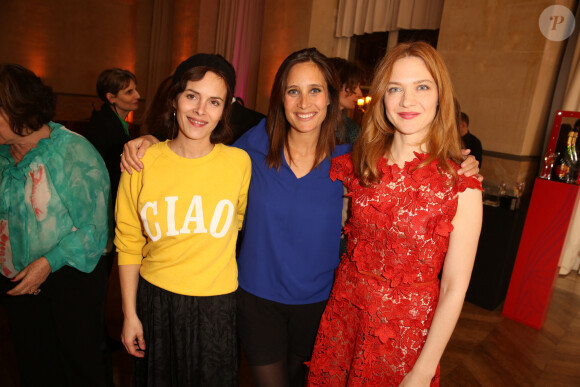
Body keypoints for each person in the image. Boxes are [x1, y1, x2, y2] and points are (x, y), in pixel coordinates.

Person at [120, 48, 480, 387]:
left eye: (315, 91)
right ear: (280, 97)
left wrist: (462, 165)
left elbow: (405, 171)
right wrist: (151, 141)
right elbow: (198, 153)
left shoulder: (353, 161)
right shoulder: (249, 151)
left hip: (322, 305)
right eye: (294, 91)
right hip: (256, 301)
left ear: (330, 98)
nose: (304, 102)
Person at [306, 41, 483, 386]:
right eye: (394, 88)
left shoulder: (461, 185)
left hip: (403, 342)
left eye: (421, 86)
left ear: (439, 96)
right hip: (344, 320)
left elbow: (454, 287)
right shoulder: (360, 165)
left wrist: (423, 370)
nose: (406, 101)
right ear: (382, 98)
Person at [115, 54, 251, 386]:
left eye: (214, 101)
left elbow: (241, 223)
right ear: (175, 98)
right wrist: (130, 315)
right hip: (156, 301)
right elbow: (129, 244)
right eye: (192, 95)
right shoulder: (141, 161)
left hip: (217, 305)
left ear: (224, 110)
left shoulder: (239, 163)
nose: (201, 110)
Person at [0, 64, 112, 386]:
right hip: (18, 280)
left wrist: (47, 264)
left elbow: (95, 229)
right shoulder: (3, 154)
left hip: (69, 279)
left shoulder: (73, 151)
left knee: (76, 366)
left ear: (19, 110)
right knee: (33, 363)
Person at [85, 68, 140, 200]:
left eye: (135, 89)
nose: (137, 95)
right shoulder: (102, 124)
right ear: (111, 98)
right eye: (129, 92)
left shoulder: (116, 121)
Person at [328, 57, 365, 144]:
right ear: (336, 85)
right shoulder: (312, 122)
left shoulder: (351, 128)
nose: (360, 94)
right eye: (354, 86)